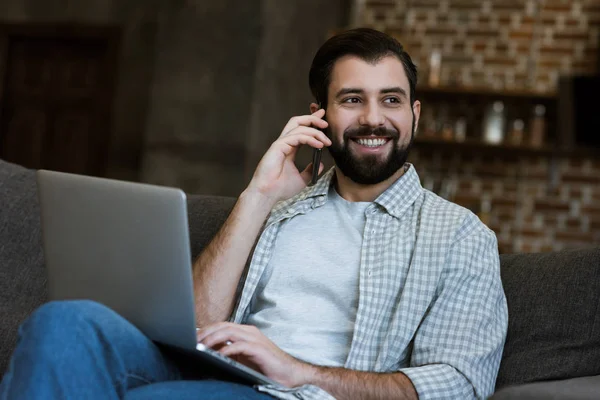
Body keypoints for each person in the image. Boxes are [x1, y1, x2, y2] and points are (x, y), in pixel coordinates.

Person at [0, 28, 508, 400]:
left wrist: (294, 370)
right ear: (320, 115)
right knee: (63, 322)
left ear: (414, 115)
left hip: (298, 396)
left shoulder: (459, 236)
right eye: (352, 100)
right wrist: (259, 194)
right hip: (218, 377)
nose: (373, 118)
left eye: (391, 100)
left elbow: (458, 387)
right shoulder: (282, 207)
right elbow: (194, 331)